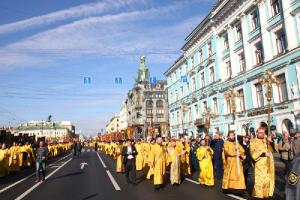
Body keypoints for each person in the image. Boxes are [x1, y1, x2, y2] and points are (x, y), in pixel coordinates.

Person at [250, 128, 275, 199]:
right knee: (260, 179)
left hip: (269, 162)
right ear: (257, 133)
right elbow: (253, 153)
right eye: (260, 133)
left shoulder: (266, 140)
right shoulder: (253, 141)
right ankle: (258, 195)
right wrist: (263, 154)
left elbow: (273, 149)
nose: (262, 134)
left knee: (268, 179)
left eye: (263, 132)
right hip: (260, 164)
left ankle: (267, 194)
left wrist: (271, 142)